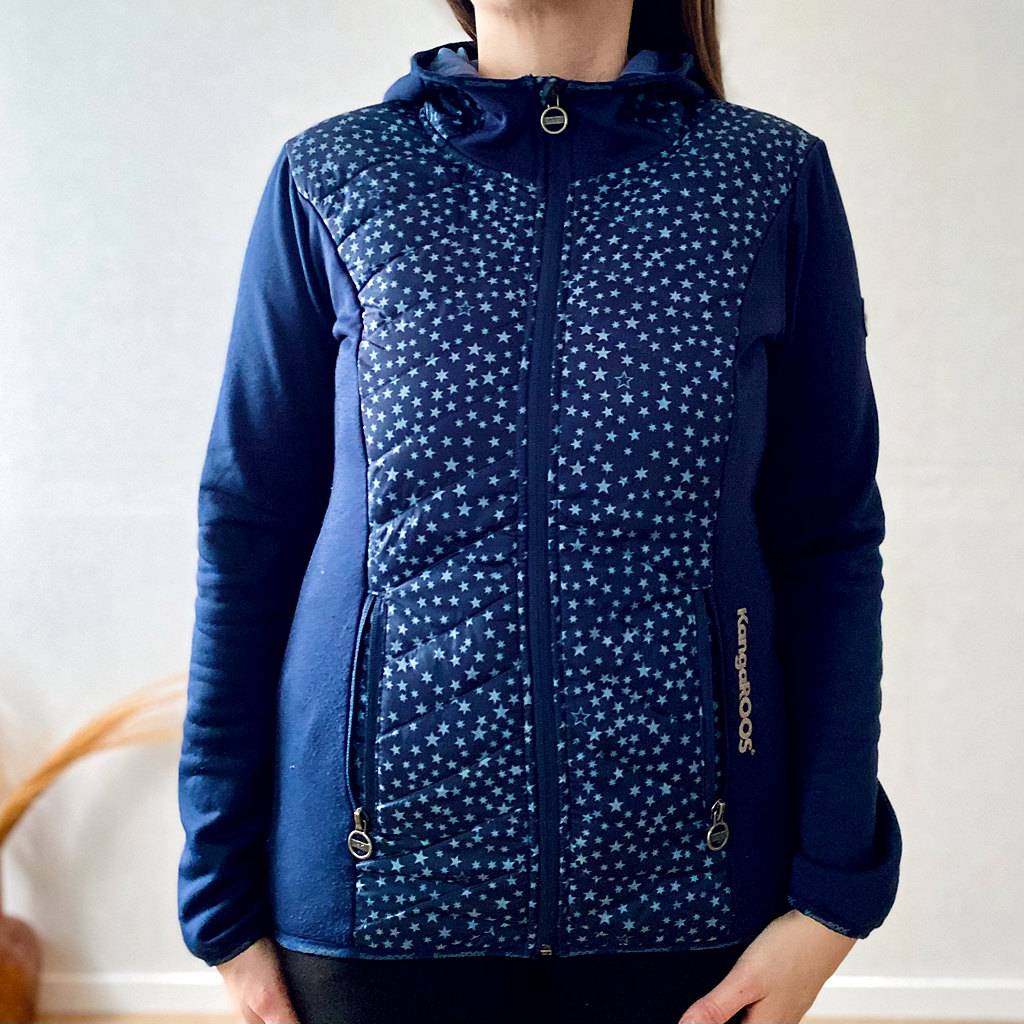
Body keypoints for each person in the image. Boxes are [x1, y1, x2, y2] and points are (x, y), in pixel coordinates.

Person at [176, 1, 903, 1021]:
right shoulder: (334, 174)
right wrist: (220, 900)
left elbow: (829, 540)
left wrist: (833, 894)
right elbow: (248, 530)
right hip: (367, 908)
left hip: (693, 905)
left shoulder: (765, 179)